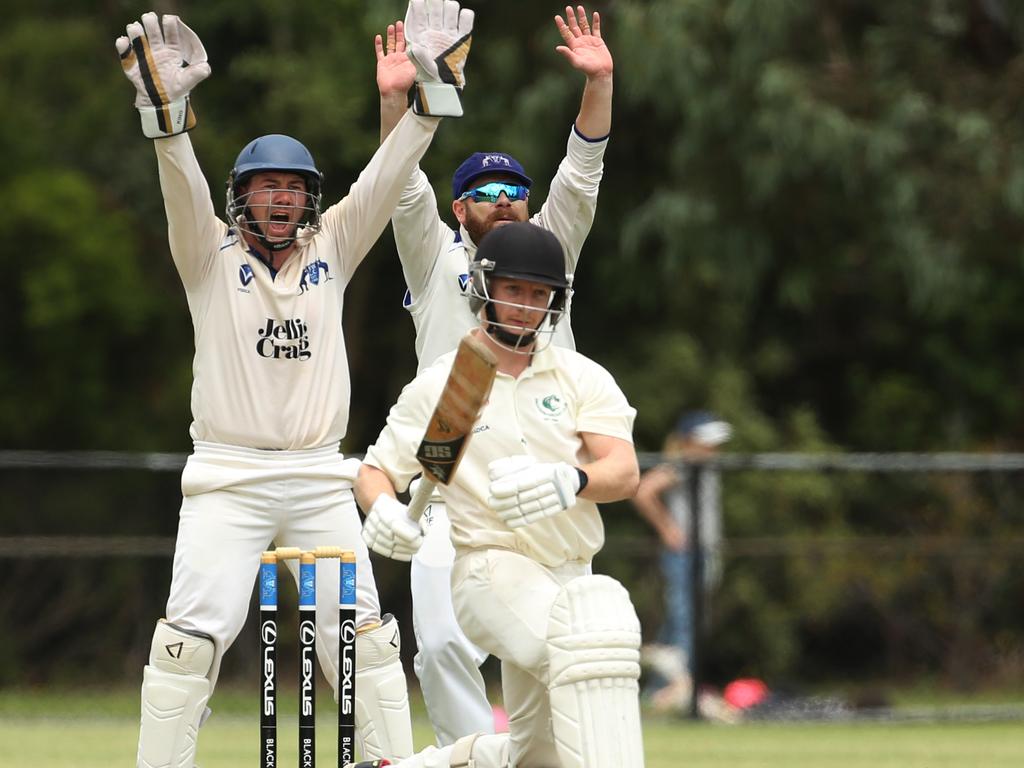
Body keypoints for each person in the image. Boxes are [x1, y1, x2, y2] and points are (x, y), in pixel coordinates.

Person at [114, 7, 473, 766]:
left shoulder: (333, 247)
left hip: (317, 474)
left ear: (309, 196)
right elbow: (180, 187)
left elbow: (387, 179)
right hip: (228, 474)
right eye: (265, 187)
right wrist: (167, 121)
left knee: (366, 646)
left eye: (292, 188)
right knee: (187, 643)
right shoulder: (206, 255)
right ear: (240, 193)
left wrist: (428, 102)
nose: (280, 200)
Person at [372, 4, 614, 745]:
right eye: (486, 192)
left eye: (515, 191)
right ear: (458, 209)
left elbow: (583, 170)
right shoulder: (434, 252)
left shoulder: (547, 249)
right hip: (451, 480)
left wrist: (599, 82)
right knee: (443, 646)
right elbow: (398, 182)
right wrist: (398, 102)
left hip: (546, 484)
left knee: (563, 654)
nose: (504, 200)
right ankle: (469, 756)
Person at [354, 222, 644, 768]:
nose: (526, 306)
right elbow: (374, 472)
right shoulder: (449, 383)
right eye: (514, 290)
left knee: (538, 754)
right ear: (484, 287)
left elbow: (623, 472)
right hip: (490, 568)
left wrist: (571, 480)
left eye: (539, 294)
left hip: (570, 571)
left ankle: (421, 765)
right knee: (589, 648)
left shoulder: (580, 377)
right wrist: (385, 509)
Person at [631, 410, 732, 712]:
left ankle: (660, 692)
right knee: (686, 622)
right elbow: (644, 490)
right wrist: (669, 529)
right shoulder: (682, 464)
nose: (714, 448)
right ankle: (683, 690)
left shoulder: (704, 465)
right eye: (707, 441)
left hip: (705, 551)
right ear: (689, 441)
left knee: (681, 625)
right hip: (686, 554)